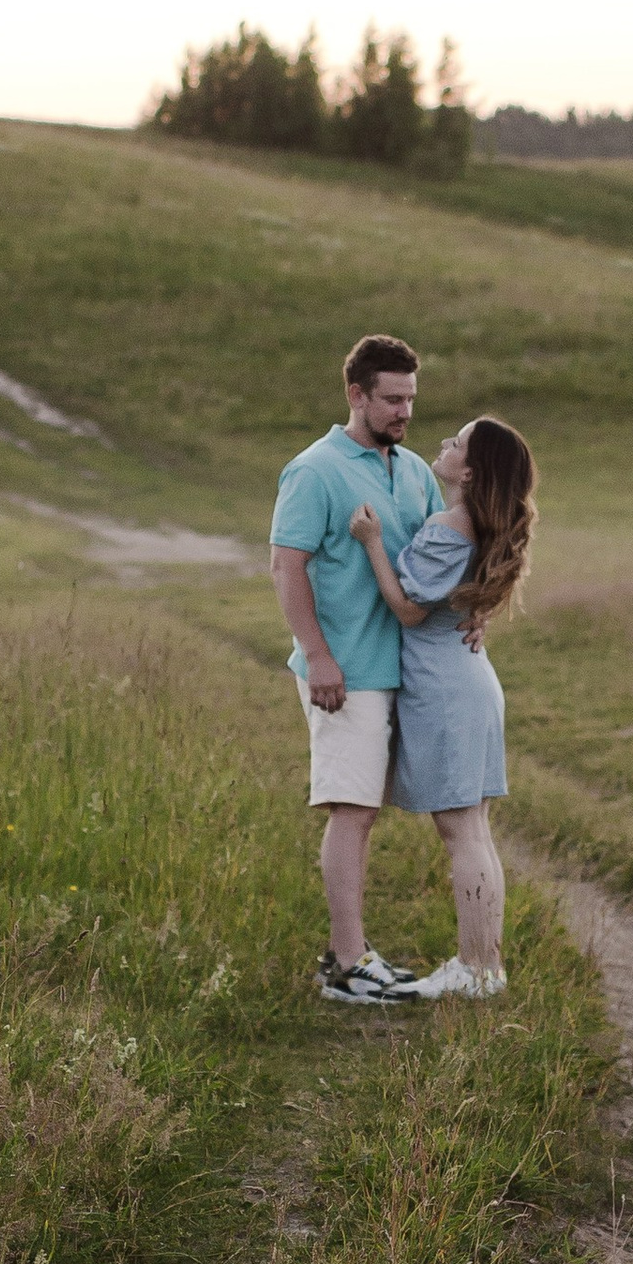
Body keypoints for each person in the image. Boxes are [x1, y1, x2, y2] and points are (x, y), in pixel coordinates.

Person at [267, 332, 444, 1002]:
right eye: (391, 399)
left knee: (366, 811)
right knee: (352, 811)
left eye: (410, 400)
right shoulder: (314, 470)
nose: (403, 412)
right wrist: (317, 656)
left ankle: (354, 956)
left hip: (402, 670)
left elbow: (434, 561)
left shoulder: (414, 469)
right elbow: (287, 566)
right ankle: (347, 964)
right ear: (356, 395)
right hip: (344, 672)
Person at [349, 412, 536, 1001]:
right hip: (468, 681)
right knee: (473, 830)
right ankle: (484, 967)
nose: (444, 444)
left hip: (447, 690)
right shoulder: (475, 526)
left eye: (456, 443)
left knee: (462, 834)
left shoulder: (449, 525)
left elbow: (406, 609)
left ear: (470, 471)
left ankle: (474, 970)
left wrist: (373, 541)